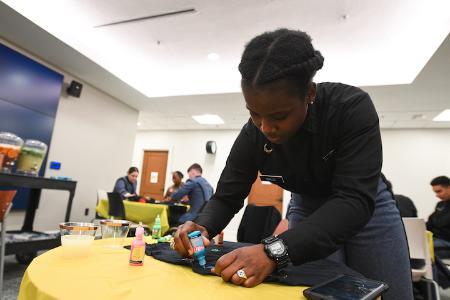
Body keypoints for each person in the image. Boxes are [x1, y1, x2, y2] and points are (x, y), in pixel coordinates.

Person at [173, 29, 412, 299]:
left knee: (394, 295)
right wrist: (202, 225)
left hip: (367, 207)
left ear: (309, 92)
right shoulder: (253, 134)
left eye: (279, 115)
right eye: (254, 114)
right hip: (306, 207)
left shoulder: (351, 108)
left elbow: (353, 200)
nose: (265, 128)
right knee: (314, 294)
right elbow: (227, 197)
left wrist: (272, 251)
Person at [426, 176, 450, 249]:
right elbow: (430, 224)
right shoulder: (440, 205)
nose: (437, 195)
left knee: (423, 247)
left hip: (446, 241)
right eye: (435, 192)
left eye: (439, 191)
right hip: (436, 239)